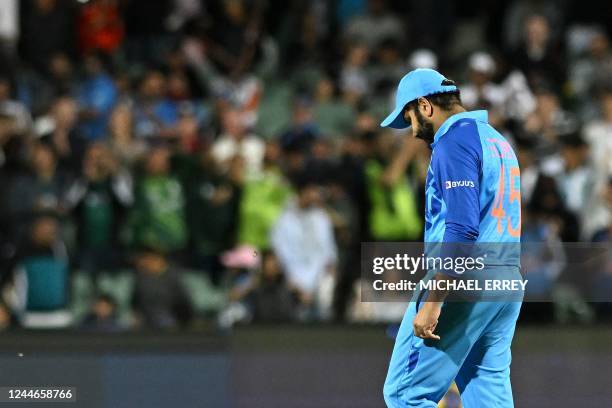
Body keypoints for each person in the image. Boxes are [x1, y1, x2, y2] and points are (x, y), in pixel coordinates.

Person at [380, 69, 522, 407]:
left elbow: (462, 229)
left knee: (405, 395)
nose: (413, 132)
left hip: (464, 281)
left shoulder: (454, 141)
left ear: (426, 107)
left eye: (410, 118)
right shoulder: (496, 140)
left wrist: (434, 301)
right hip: (506, 279)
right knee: (487, 393)